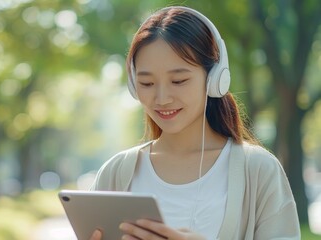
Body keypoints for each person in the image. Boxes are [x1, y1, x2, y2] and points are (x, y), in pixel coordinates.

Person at [88, 5, 300, 240]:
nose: (162, 98)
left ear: (214, 79)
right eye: (147, 83)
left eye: (178, 81)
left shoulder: (258, 170)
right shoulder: (115, 172)